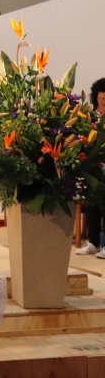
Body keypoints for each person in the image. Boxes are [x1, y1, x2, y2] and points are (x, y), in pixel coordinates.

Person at [76, 77, 105, 258]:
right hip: (95, 166)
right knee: (92, 200)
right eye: (101, 99)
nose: (103, 103)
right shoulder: (91, 117)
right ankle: (94, 242)